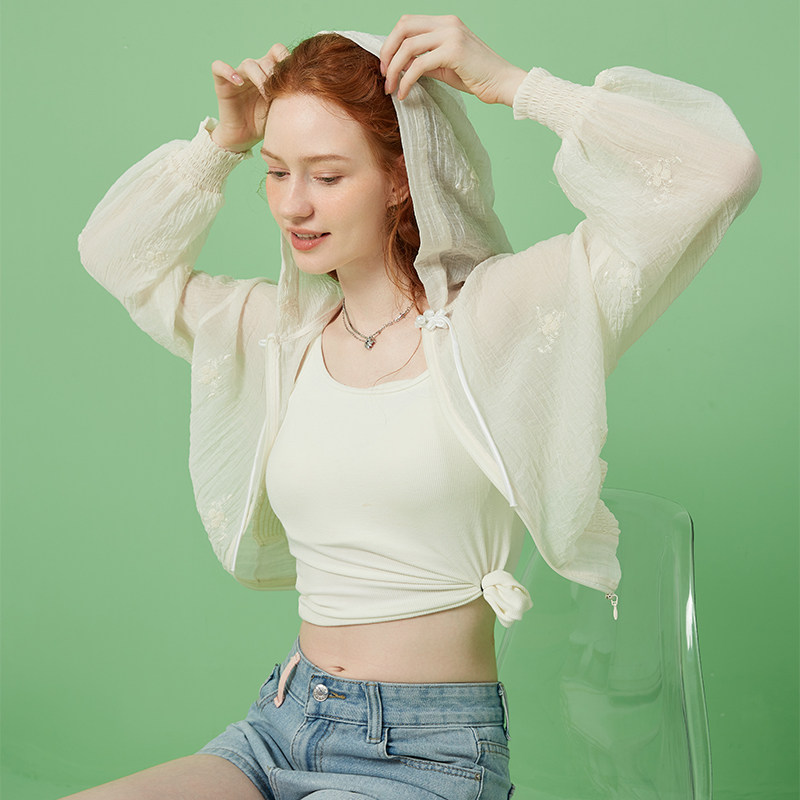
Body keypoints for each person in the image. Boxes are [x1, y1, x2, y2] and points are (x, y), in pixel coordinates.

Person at [69, 13, 760, 800]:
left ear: (401, 177)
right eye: (277, 171)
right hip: (278, 725)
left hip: (426, 756)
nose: (293, 205)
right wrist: (222, 142)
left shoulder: (505, 317)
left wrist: (516, 86)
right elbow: (113, 253)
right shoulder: (275, 336)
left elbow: (719, 170)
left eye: (327, 176)